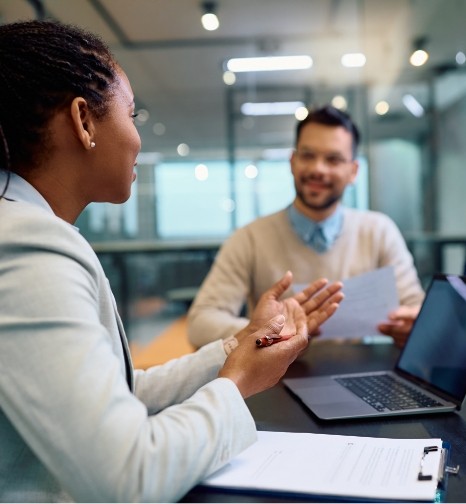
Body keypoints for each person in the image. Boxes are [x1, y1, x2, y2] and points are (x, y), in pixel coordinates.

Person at [0, 20, 344, 502]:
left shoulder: (27, 229)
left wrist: (240, 344)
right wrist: (238, 382)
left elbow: (122, 393)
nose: (139, 137)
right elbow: (129, 476)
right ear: (83, 121)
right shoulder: (27, 243)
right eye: (131, 114)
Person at [188, 105, 425, 349]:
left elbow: (417, 309)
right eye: (308, 155)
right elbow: (200, 324)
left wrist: (413, 326)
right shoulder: (250, 238)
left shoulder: (379, 232)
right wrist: (268, 333)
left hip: (361, 375)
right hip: (274, 382)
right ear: (293, 161)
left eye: (333, 159)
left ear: (353, 171)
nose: (317, 169)